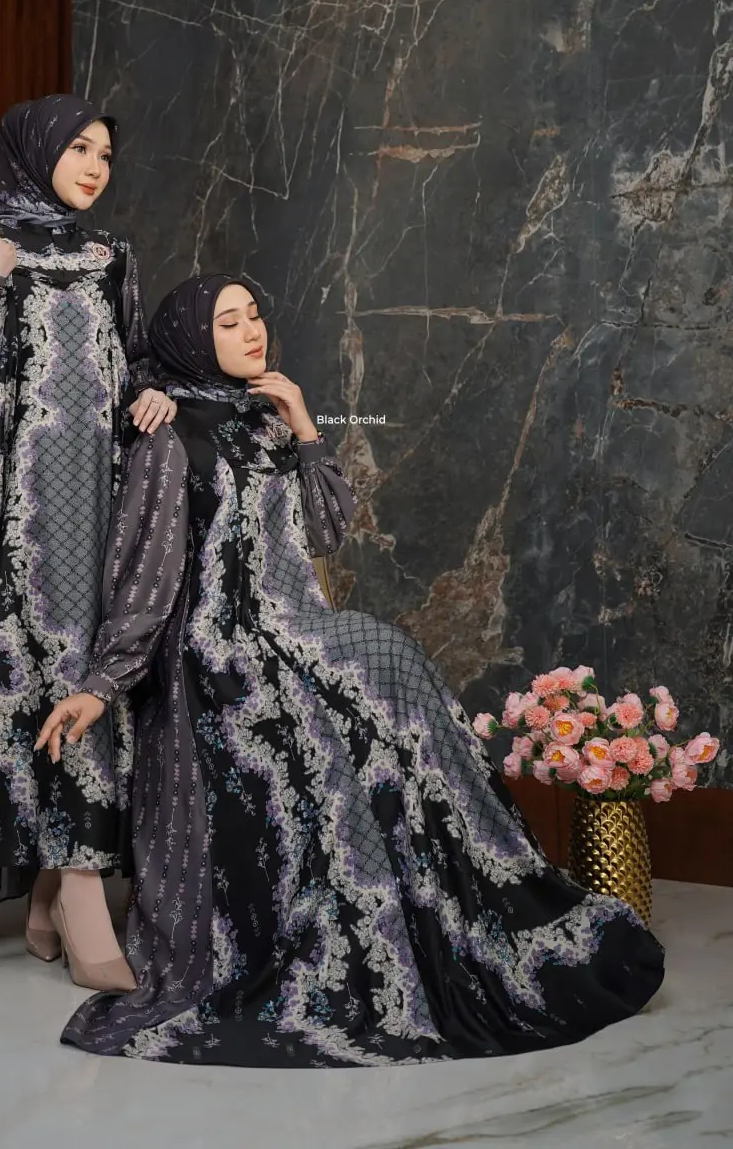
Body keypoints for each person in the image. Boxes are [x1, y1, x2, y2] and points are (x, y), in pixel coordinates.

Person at [37, 273, 665, 1065]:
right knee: (340, 691)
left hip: (293, 624)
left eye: (255, 314)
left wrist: (304, 423)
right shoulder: (165, 434)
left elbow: (326, 530)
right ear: (195, 340)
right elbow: (146, 574)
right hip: (219, 647)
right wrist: (104, 682)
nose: (252, 331)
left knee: (390, 657)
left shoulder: (265, 417)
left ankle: (460, 902)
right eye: (228, 323)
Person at [0, 95, 175, 992]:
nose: (96, 166)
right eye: (79, 149)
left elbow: (135, 359)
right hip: (23, 501)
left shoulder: (112, 256)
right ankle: (79, 888)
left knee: (100, 667)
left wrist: (156, 392)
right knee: (44, 670)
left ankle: (60, 886)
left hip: (107, 492)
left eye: (106, 153)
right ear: (34, 153)